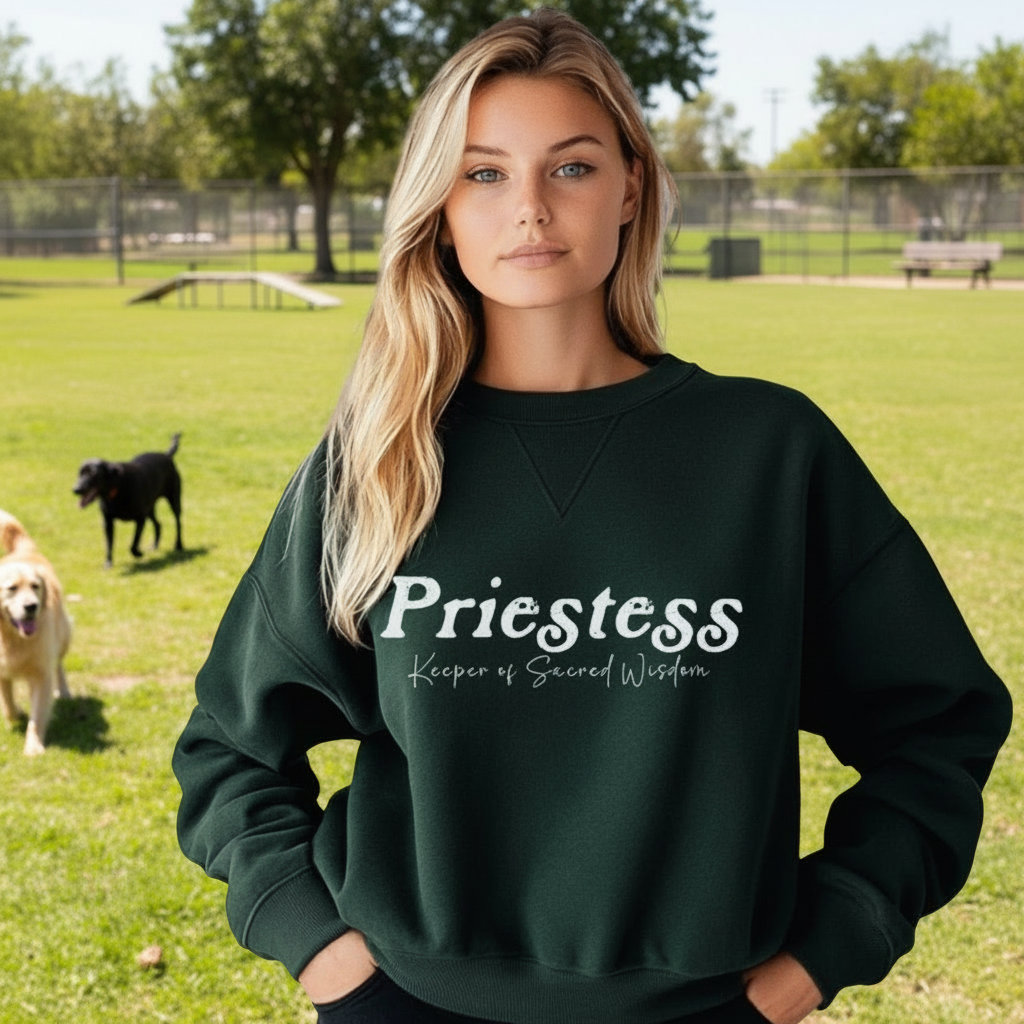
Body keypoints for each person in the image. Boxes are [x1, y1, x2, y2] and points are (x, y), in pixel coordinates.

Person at [172, 11, 1012, 1024]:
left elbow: (937, 726)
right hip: (403, 1003)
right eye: (483, 173)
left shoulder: (768, 451)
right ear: (438, 207)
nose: (527, 206)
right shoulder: (379, 458)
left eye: (568, 167)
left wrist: (815, 956)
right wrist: (323, 955)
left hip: (708, 1008)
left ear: (631, 187)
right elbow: (229, 745)